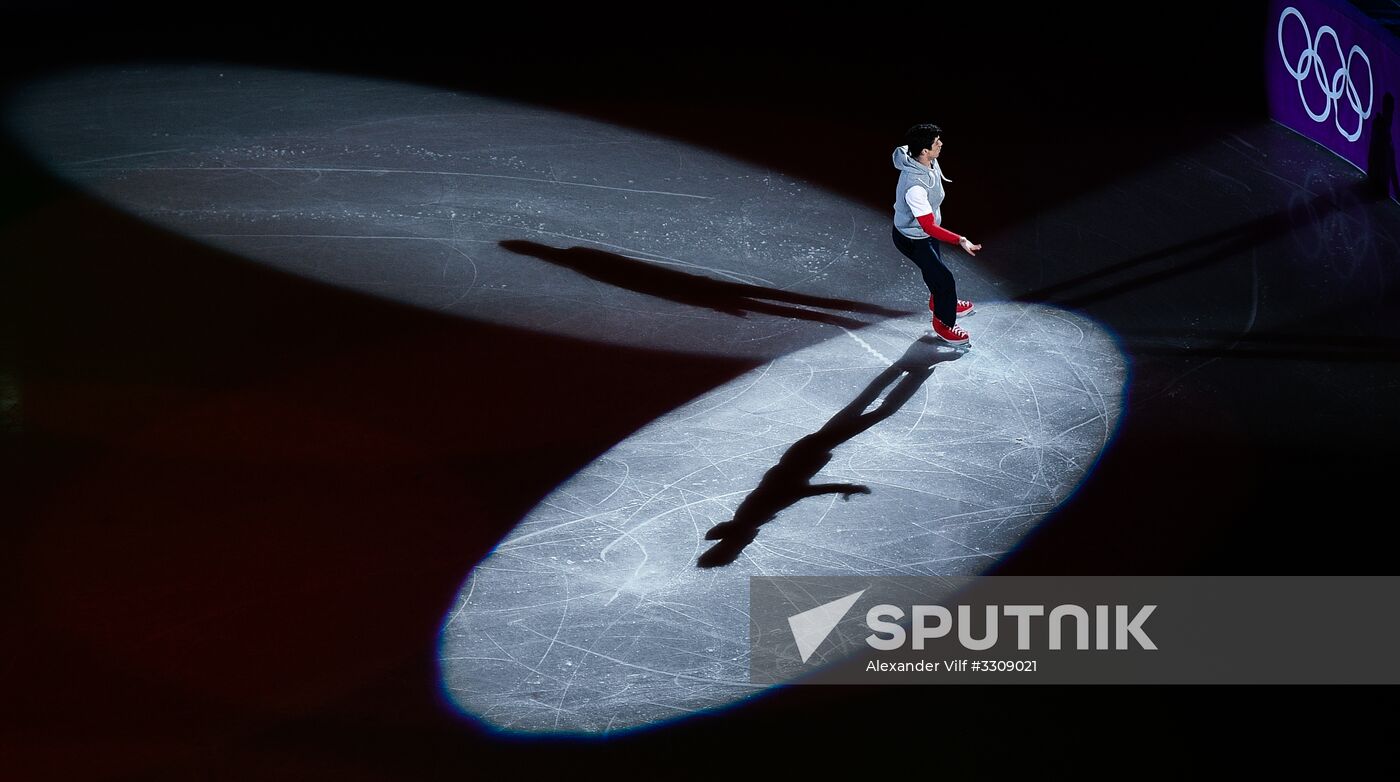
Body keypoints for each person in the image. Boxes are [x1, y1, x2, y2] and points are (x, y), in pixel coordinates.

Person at [891, 123, 982, 346]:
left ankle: (941, 303)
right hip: (913, 239)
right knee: (944, 279)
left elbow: (909, 145)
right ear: (924, 151)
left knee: (935, 271)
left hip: (924, 234)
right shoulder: (915, 187)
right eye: (936, 142)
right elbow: (928, 227)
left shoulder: (921, 156)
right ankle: (944, 323)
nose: (940, 144)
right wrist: (959, 239)